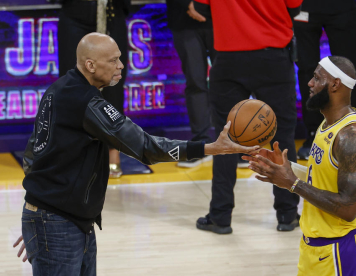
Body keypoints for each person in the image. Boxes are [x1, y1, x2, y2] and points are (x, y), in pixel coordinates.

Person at [12, 33, 258, 275]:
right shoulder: (88, 103)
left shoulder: (59, 88)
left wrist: (38, 216)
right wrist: (209, 148)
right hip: (58, 223)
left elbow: (33, 154)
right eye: (113, 60)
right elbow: (146, 147)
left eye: (120, 58)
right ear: (90, 65)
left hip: (62, 220)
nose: (121, 66)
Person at [245, 56, 356, 275]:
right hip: (313, 249)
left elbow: (348, 208)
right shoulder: (327, 124)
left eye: (317, 78)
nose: (309, 83)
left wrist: (293, 183)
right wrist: (285, 168)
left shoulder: (352, 136)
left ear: (335, 84)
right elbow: (323, 178)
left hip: (342, 251)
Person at [190, 0, 303, 234]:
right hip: (274, 57)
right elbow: (295, 8)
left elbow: (199, 9)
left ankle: (220, 216)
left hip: (228, 58)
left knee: (225, 141)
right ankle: (287, 214)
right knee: (281, 136)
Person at [294, 0, 356, 160]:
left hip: (341, 5)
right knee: (307, 71)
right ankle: (313, 135)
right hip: (303, 6)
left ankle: (352, 131)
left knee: (348, 71)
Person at [58, 0, 131, 177]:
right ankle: (73, 152)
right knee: (74, 86)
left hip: (112, 14)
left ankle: (113, 150)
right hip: (76, 14)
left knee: (113, 83)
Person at [165, 0, 215, 168]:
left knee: (230, 83)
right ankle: (201, 143)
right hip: (183, 17)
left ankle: (236, 142)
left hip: (223, 16)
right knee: (195, 82)